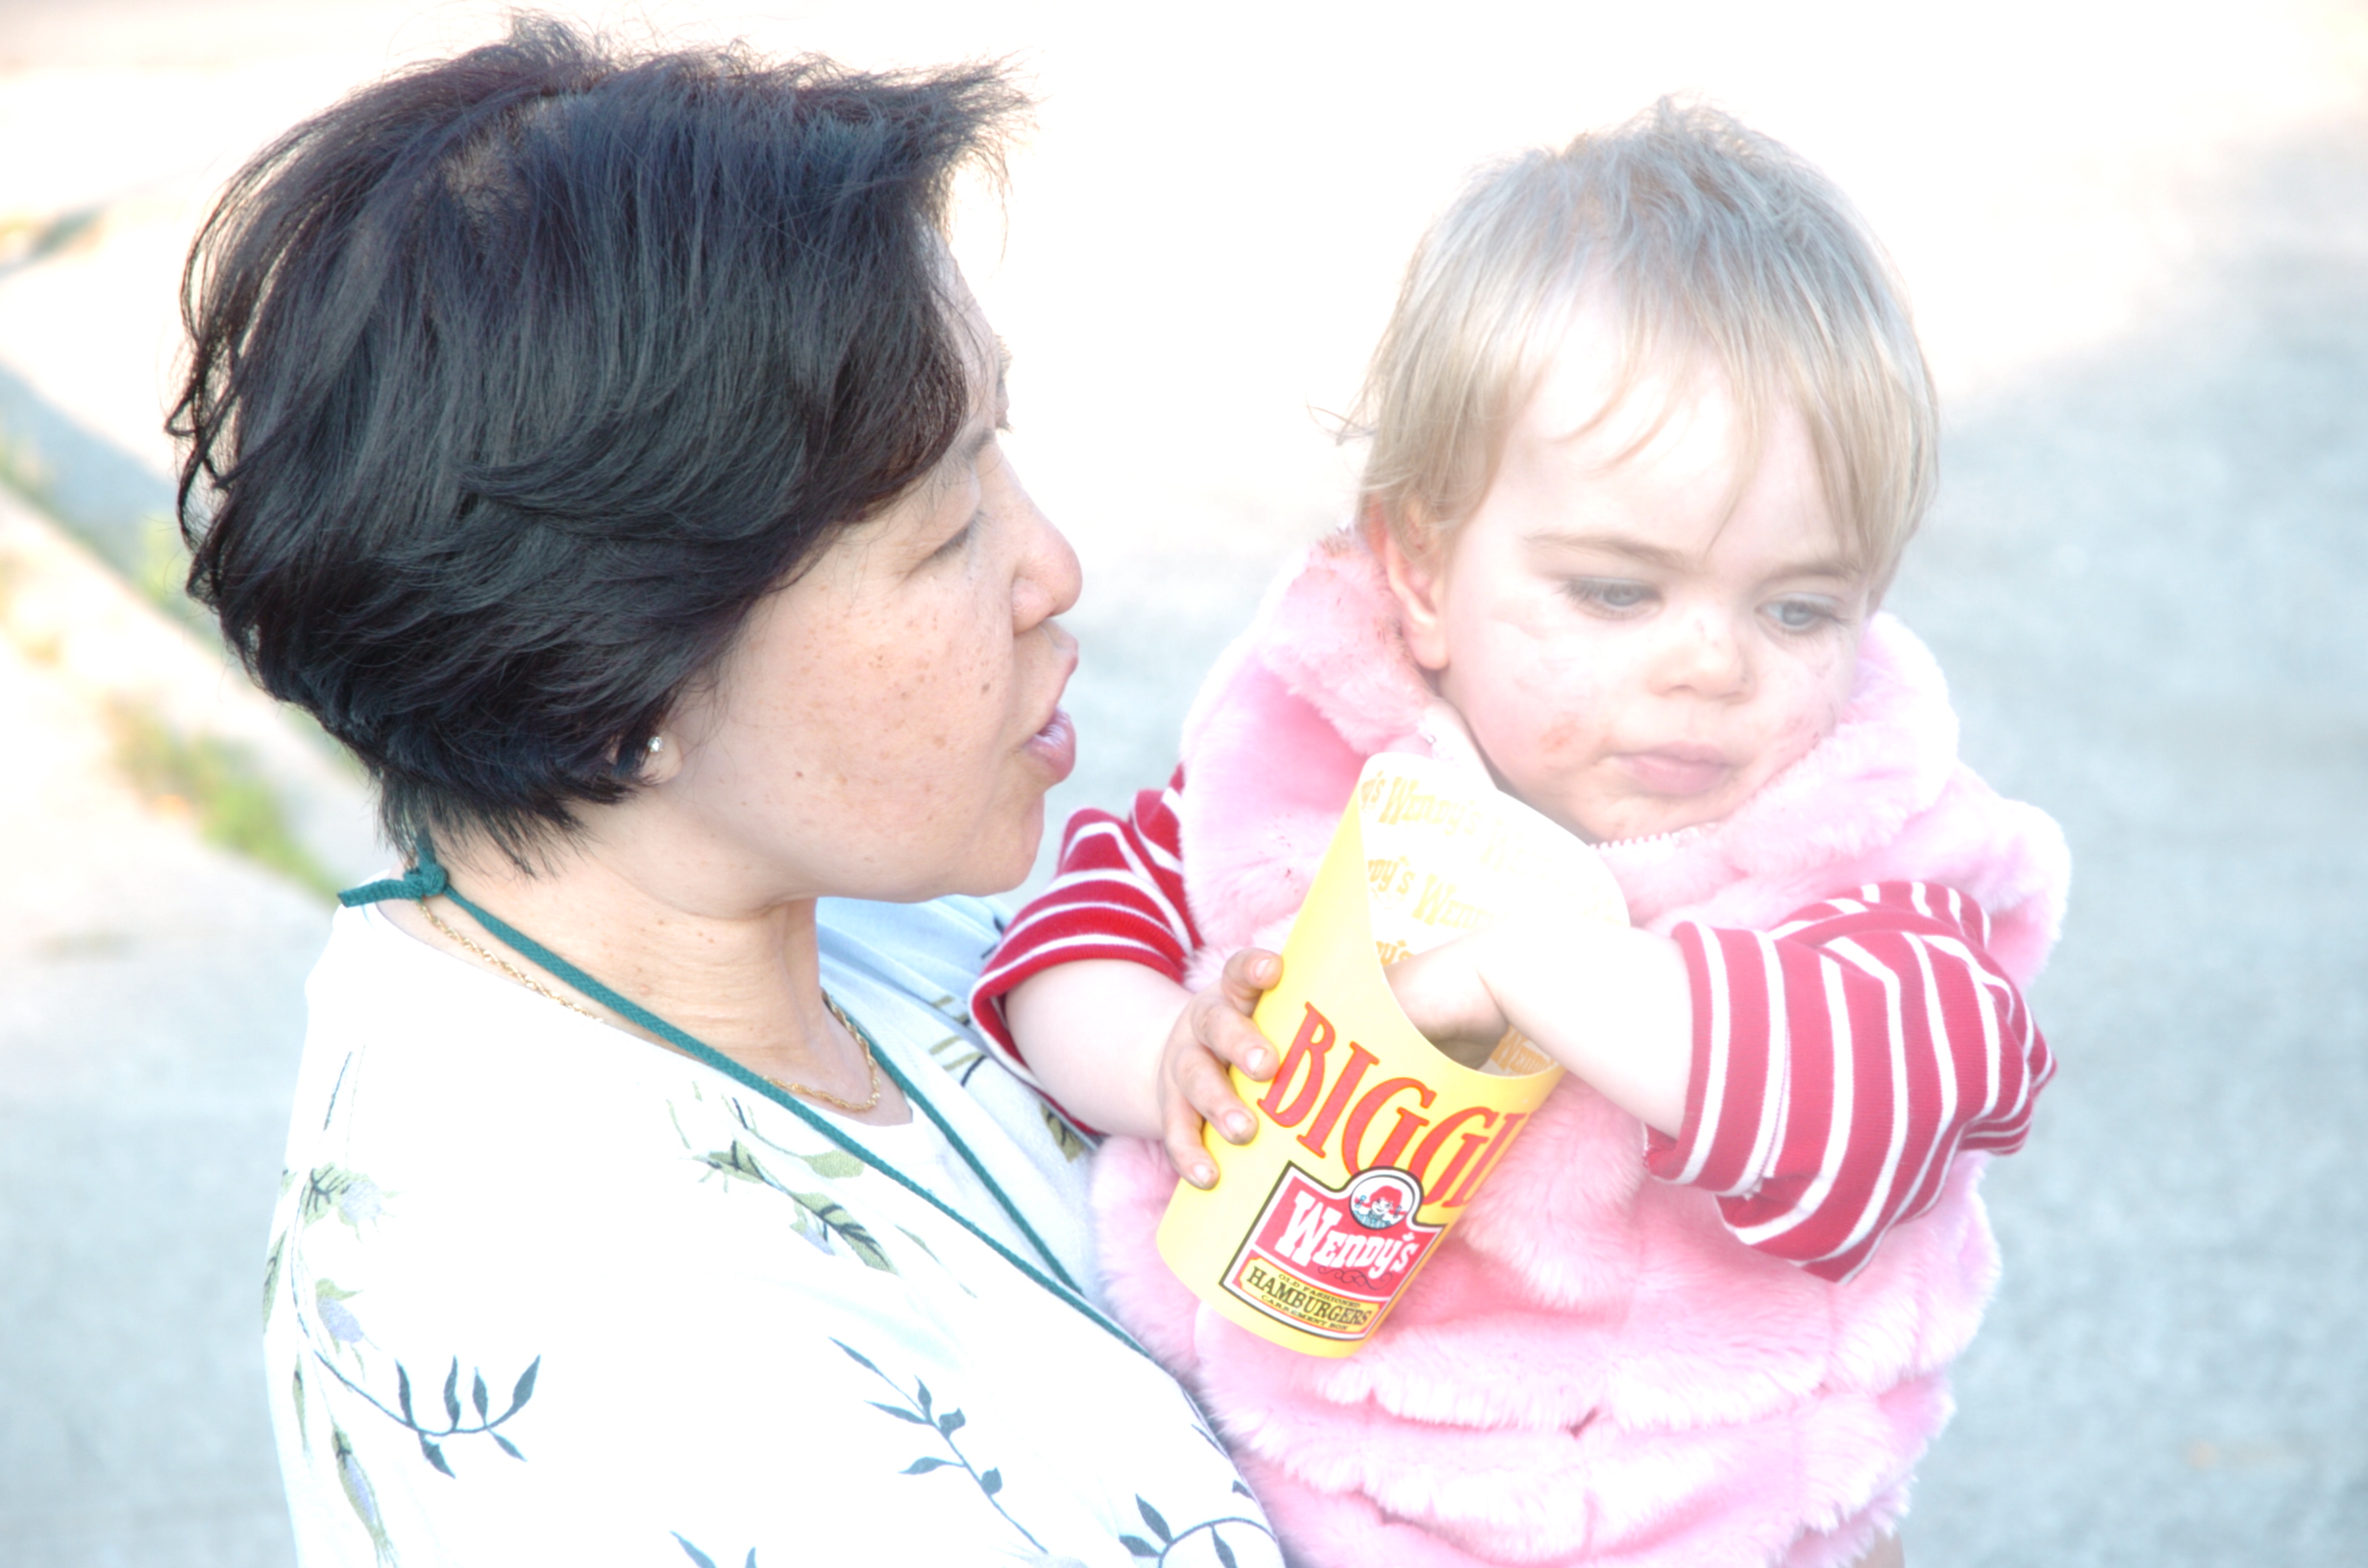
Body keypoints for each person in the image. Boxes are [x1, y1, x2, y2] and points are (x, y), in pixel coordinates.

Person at [176, 21, 1282, 1566]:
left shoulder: (821, 927)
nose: (1052, 569)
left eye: (999, 455)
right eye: (943, 533)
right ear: (616, 688)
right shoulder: (624, 1368)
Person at [973, 103, 2069, 1568]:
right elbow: (1075, 928)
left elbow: (1889, 1102)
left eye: (1800, 607)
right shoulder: (1317, 756)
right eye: (1618, 592)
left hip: (1719, 1521)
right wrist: (1166, 1052)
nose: (1712, 662)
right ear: (1424, 575)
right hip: (1311, 1496)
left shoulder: (1858, 841)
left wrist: (1534, 971)